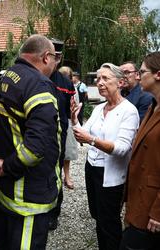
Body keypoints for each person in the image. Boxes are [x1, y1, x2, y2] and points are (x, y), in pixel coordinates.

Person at [0, 34, 61, 249]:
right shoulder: (39, 85)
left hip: (5, 193)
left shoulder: (4, 78)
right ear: (46, 57)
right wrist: (7, 166)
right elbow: (37, 147)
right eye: (55, 58)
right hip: (30, 197)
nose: (55, 64)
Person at [71, 63, 139, 250]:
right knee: (98, 217)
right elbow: (82, 135)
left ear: (120, 82)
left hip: (110, 176)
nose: (99, 83)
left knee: (109, 222)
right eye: (98, 79)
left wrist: (91, 139)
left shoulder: (129, 111)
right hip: (91, 169)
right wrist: (74, 119)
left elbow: (122, 148)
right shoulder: (98, 108)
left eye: (105, 78)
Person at [120, 52, 160, 250]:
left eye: (142, 72)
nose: (138, 76)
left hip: (152, 206)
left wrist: (158, 211)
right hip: (140, 198)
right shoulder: (154, 106)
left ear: (158, 75)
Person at [48, 65, 76, 230]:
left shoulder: (66, 83)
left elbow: (69, 113)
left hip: (58, 136)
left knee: (56, 174)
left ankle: (53, 214)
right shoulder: (35, 77)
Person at [59, 66, 78, 190]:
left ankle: (67, 175)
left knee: (68, 151)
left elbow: (75, 107)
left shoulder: (73, 89)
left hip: (69, 121)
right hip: (57, 121)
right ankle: (57, 176)